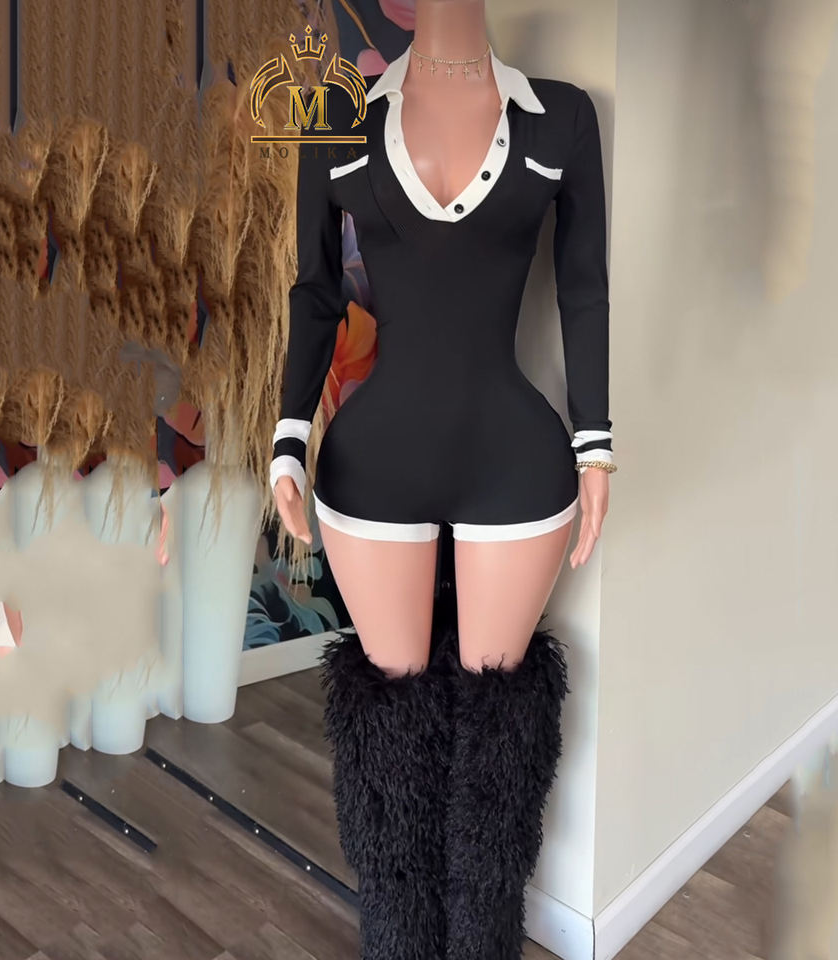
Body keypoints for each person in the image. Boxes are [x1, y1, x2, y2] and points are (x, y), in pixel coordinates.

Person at [270, 3, 615, 957]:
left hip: (516, 460)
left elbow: (584, 287)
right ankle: (398, 941)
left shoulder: (561, 119)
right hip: (374, 465)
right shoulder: (334, 119)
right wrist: (289, 436)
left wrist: (595, 446)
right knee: (388, 738)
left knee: (502, 738)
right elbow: (315, 290)